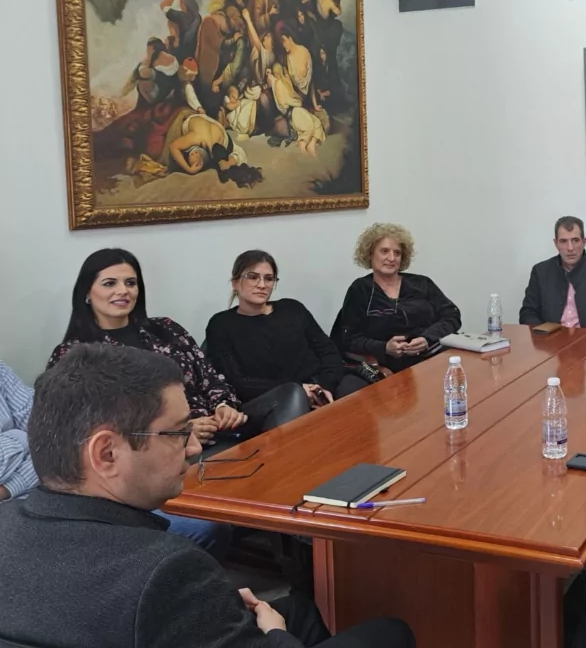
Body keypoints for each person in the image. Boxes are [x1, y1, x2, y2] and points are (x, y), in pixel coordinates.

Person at [0, 344, 415, 648]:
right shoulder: (168, 569)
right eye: (179, 432)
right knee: (389, 632)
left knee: (300, 611)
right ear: (107, 453)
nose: (195, 447)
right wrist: (274, 634)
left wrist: (210, 610)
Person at [49, 249, 310, 454]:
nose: (123, 291)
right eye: (109, 283)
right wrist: (178, 431)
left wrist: (223, 406)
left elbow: (211, 377)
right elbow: (95, 428)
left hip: (220, 427)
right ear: (87, 293)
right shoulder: (75, 355)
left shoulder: (165, 329)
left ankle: (286, 471)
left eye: (130, 283)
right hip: (162, 450)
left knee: (290, 394)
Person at [206, 250, 370, 406]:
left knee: (360, 394)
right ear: (235, 283)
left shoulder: (292, 308)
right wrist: (299, 389)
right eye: (253, 277)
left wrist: (323, 386)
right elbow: (236, 382)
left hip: (321, 384)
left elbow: (329, 351)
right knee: (295, 401)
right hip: (274, 397)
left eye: (269, 279)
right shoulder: (221, 324)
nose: (262, 285)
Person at [337, 224, 461, 374]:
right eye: (384, 251)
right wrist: (384, 347)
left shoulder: (422, 283)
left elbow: (452, 315)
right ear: (370, 254)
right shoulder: (360, 289)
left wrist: (427, 339)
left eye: (397, 253)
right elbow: (348, 338)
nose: (391, 258)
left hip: (433, 357)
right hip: (389, 366)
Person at [0, 360, 35, 503]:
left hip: (27, 497)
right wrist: (20, 437)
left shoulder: (1, 372)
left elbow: (51, 438)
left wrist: (7, 489)